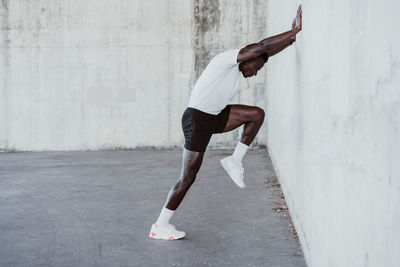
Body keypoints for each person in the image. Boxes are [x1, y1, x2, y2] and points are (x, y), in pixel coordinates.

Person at [149, 5, 302, 240]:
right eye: (257, 67)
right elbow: (261, 47)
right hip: (197, 119)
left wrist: (290, 41)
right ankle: (160, 225)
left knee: (256, 114)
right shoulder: (226, 60)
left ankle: (235, 160)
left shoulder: (238, 69)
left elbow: (265, 52)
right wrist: (294, 31)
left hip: (215, 116)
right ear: (248, 59)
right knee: (188, 176)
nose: (256, 72)